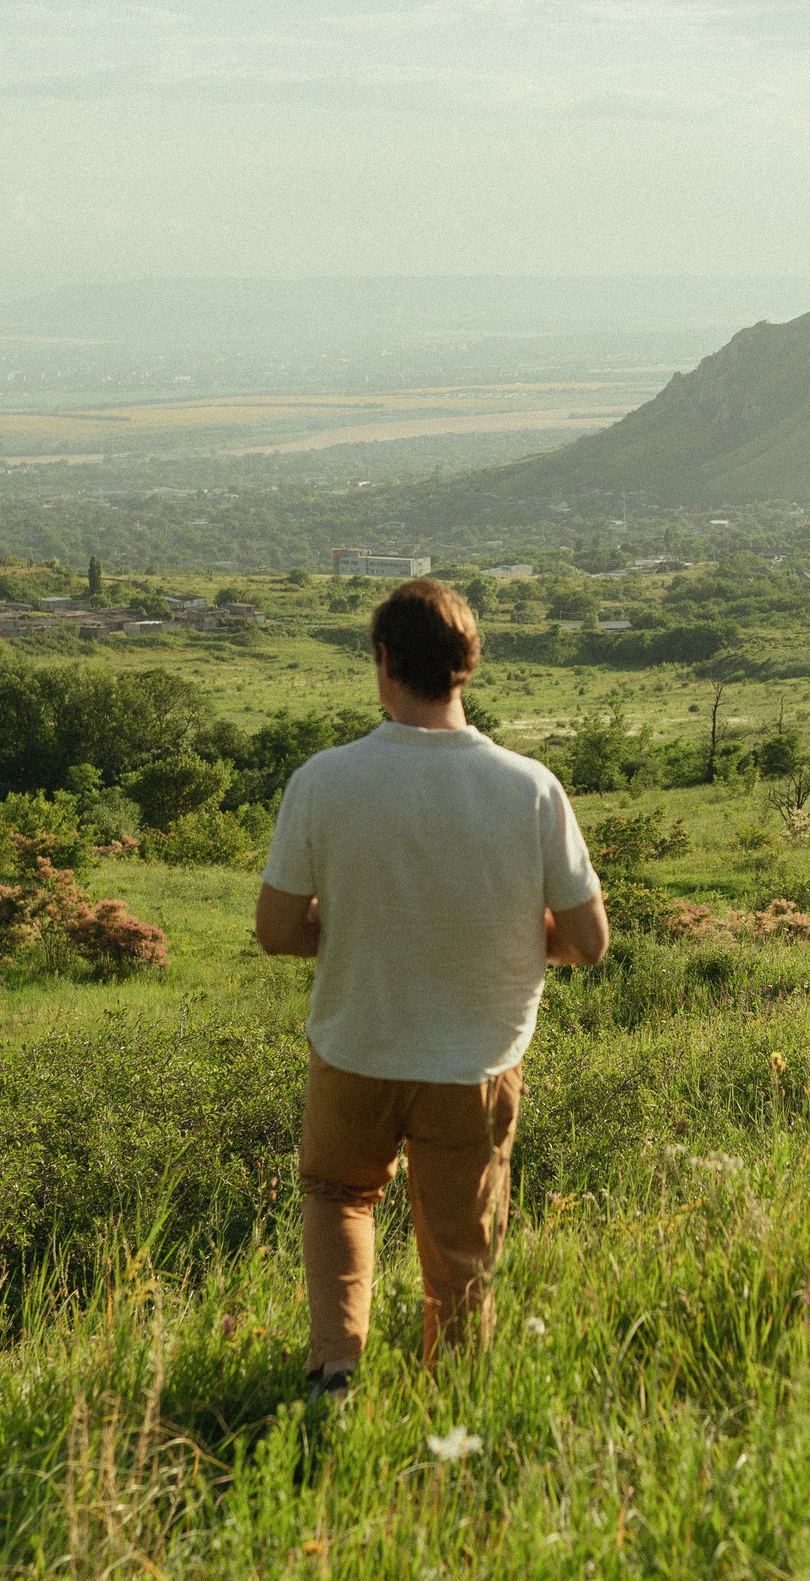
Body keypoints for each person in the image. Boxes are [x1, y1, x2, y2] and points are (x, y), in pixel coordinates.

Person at [255, 577, 608, 1397]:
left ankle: (335, 1371)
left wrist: (354, 933)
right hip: (478, 1059)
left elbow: (276, 931)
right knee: (462, 1248)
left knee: (340, 1194)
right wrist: (511, 945)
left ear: (384, 662)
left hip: (357, 1041)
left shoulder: (325, 779)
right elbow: (589, 942)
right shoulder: (530, 787)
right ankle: (450, 1399)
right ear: (467, 665)